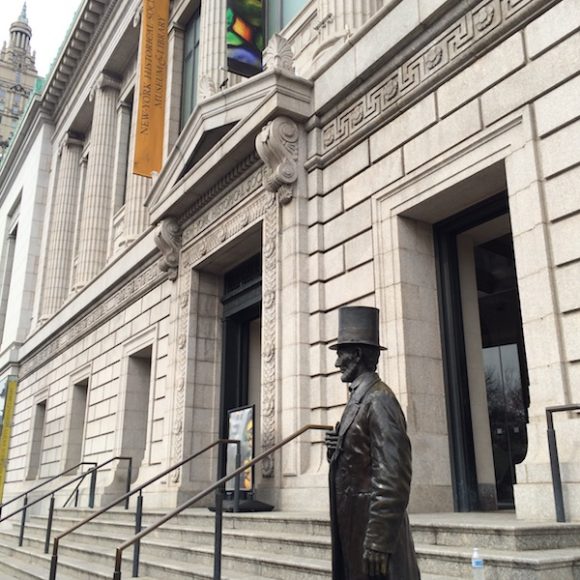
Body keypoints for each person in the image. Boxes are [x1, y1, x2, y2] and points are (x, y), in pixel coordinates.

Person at [326, 306, 421, 579]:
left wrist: (379, 539)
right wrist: (336, 450)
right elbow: (359, 460)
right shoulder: (360, 398)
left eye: (341, 354)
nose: (337, 363)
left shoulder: (379, 400)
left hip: (371, 531)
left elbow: (394, 477)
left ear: (357, 355)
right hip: (355, 525)